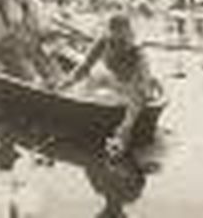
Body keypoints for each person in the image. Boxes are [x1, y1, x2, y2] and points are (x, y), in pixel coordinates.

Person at [61, 14, 163, 156]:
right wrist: (67, 82)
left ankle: (123, 133)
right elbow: (85, 66)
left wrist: (127, 125)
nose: (119, 42)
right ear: (110, 32)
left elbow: (143, 85)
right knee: (91, 81)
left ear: (128, 33)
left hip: (132, 85)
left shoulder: (137, 52)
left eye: (123, 38)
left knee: (135, 101)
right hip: (114, 80)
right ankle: (83, 106)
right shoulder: (104, 41)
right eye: (114, 35)